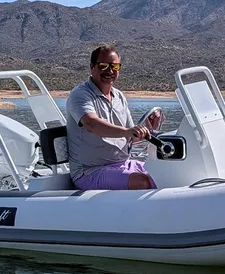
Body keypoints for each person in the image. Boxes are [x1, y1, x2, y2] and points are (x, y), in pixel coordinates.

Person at [65, 45, 157, 190]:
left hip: (123, 164)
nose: (109, 71)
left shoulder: (119, 96)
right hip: (89, 171)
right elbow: (91, 124)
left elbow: (131, 137)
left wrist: (148, 128)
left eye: (114, 66)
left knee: (163, 173)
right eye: (103, 66)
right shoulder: (80, 94)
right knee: (142, 182)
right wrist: (127, 131)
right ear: (92, 66)